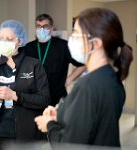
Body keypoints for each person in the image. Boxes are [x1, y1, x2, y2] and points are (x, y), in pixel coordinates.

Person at [34, 8, 133, 147]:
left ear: (96, 44)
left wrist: (49, 125)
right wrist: (60, 115)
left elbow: (69, 145)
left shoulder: (87, 86)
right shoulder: (113, 78)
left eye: (76, 34)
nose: (72, 38)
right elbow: (93, 120)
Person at [0, 19, 50, 150]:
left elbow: (44, 100)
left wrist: (15, 96)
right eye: (1, 38)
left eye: (9, 39)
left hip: (26, 136)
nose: (3, 42)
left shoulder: (34, 65)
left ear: (20, 41)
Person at [24, 13, 85, 106]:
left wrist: (68, 81)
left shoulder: (63, 46)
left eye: (45, 26)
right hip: (34, 98)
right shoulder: (28, 47)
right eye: (38, 26)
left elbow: (83, 65)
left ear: (51, 29)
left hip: (57, 98)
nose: (41, 29)